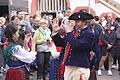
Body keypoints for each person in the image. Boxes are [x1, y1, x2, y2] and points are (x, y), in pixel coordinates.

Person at [52, 12, 94, 80]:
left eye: (77, 21)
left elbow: (77, 45)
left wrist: (69, 32)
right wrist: (55, 32)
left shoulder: (89, 33)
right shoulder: (74, 32)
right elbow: (61, 43)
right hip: (69, 66)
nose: (75, 23)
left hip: (80, 67)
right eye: (75, 21)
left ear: (84, 22)